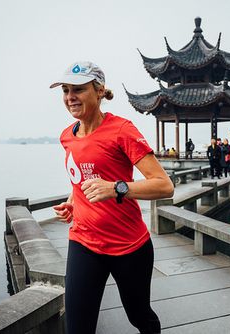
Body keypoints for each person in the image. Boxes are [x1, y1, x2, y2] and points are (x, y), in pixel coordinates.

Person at [50, 61, 174, 334]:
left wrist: (117, 188)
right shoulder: (66, 137)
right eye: (65, 90)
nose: (70, 97)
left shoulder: (122, 130)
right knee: (77, 327)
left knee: (139, 316)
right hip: (84, 241)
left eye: (78, 90)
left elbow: (164, 186)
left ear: (98, 91)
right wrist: (73, 202)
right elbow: (81, 179)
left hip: (128, 246)